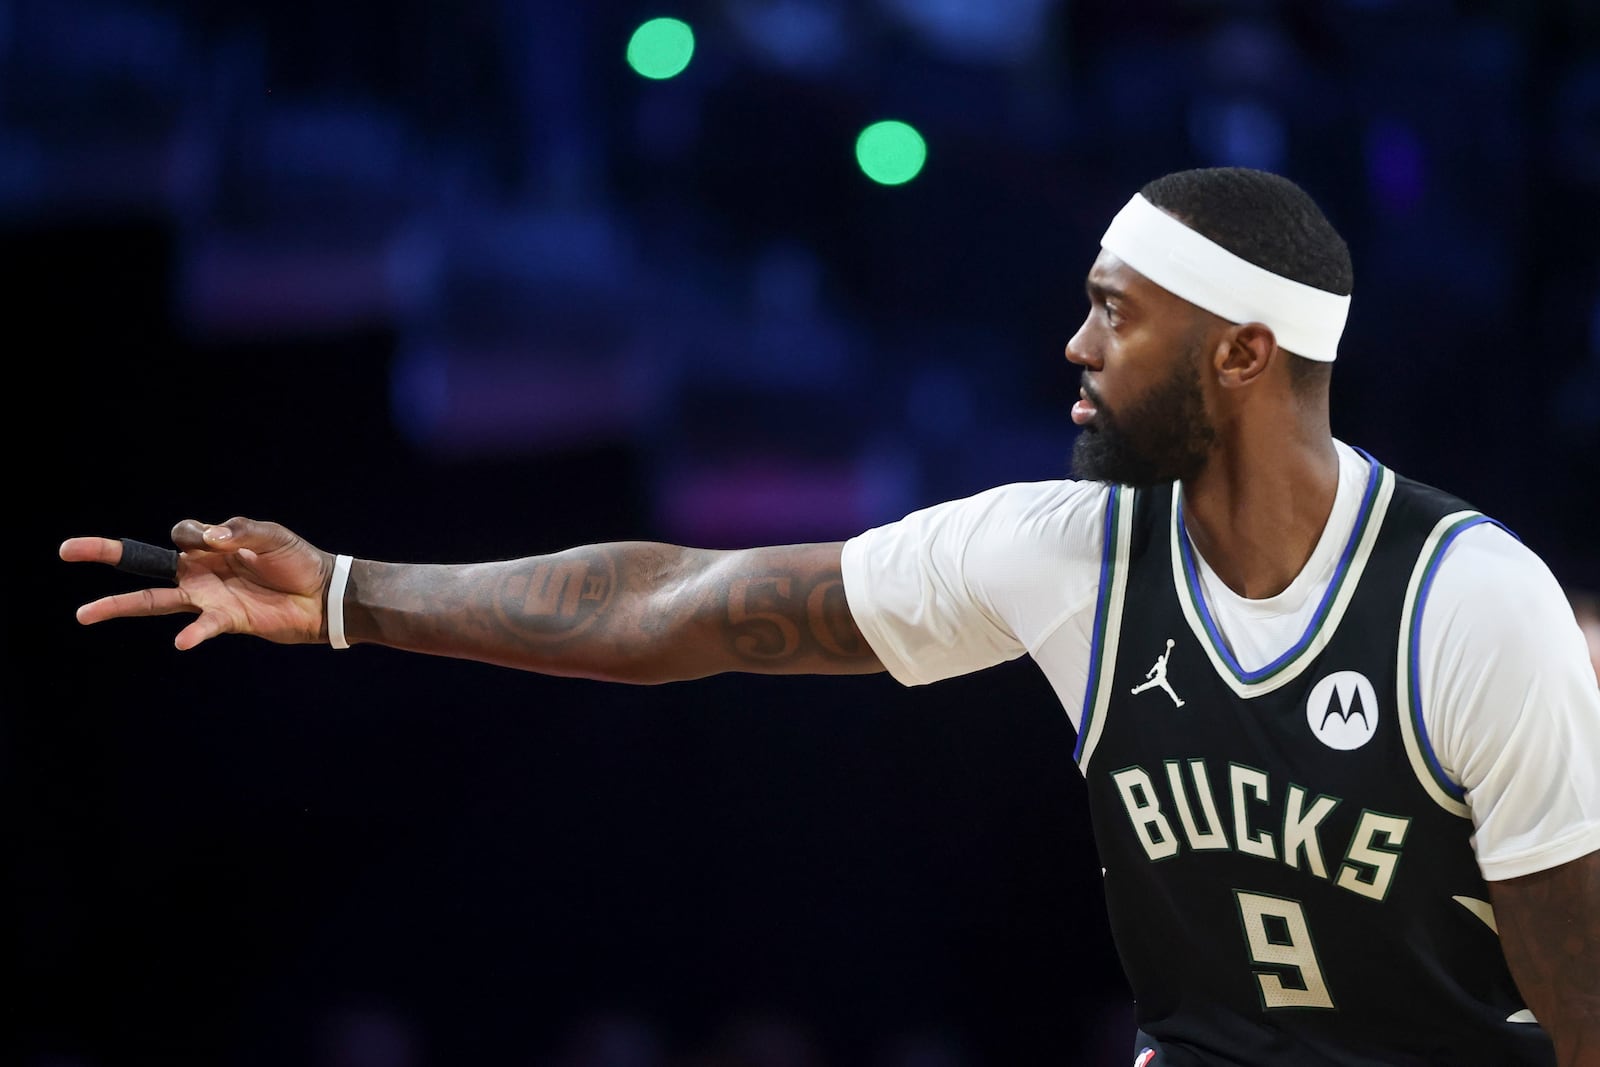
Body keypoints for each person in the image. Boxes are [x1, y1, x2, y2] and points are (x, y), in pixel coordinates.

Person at [61, 167, 1600, 1066]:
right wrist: (343, 598)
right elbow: (684, 606)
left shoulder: (1469, 607)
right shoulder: (1069, 554)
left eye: (1116, 313)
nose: (1073, 344)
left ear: (1244, 355)